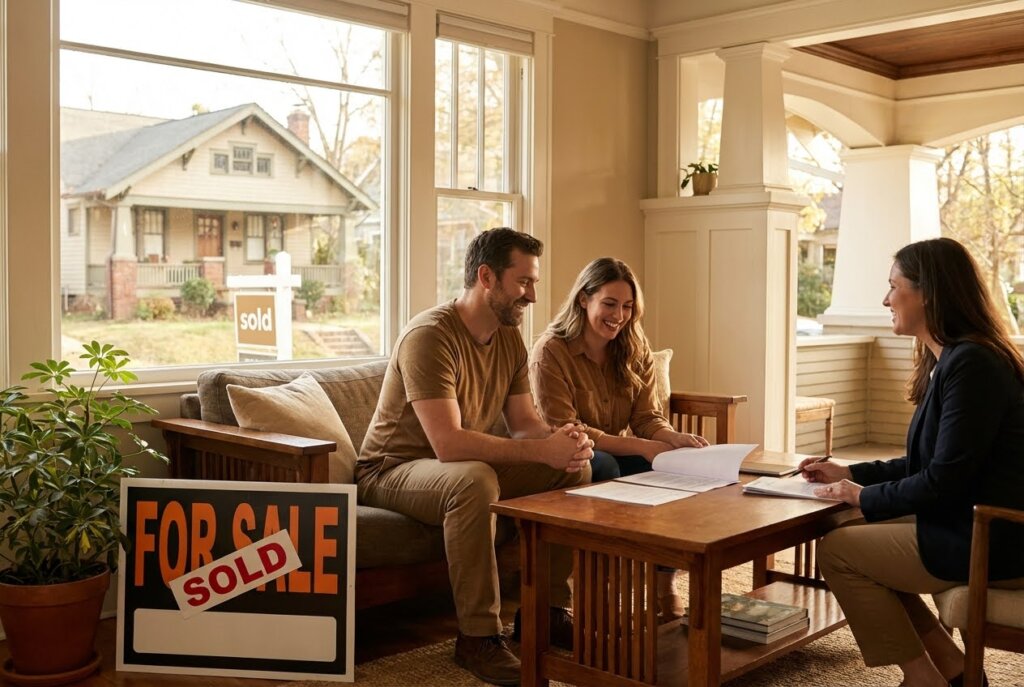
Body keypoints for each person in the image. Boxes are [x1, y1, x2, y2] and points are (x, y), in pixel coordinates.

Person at [355, 228, 594, 687]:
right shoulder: (430, 336)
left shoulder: (508, 339)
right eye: (523, 282)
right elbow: (448, 443)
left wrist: (562, 441)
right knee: (475, 481)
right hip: (390, 470)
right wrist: (539, 448)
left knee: (573, 469)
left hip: (454, 468)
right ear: (487, 277)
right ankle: (477, 637)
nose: (532, 294)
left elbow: (524, 423)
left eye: (534, 282)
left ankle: (546, 613)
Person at [801, 237, 1024, 687]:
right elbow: (927, 461)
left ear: (929, 292)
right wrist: (851, 473)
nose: (886, 299)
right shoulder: (953, 360)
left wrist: (864, 496)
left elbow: (944, 480)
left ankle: (923, 678)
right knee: (845, 528)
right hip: (968, 523)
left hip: (992, 538)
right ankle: (958, 671)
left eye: (894, 286)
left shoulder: (974, 364)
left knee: (841, 552)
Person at [529, 256, 708, 620]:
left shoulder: (633, 345)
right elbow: (567, 428)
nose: (620, 315)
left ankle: (663, 583)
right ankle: (601, 588)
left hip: (616, 446)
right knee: (609, 465)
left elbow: (645, 417)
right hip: (569, 452)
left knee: (671, 468)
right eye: (609, 304)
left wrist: (672, 440)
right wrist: (647, 447)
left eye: (628, 307)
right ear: (584, 299)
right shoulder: (551, 351)